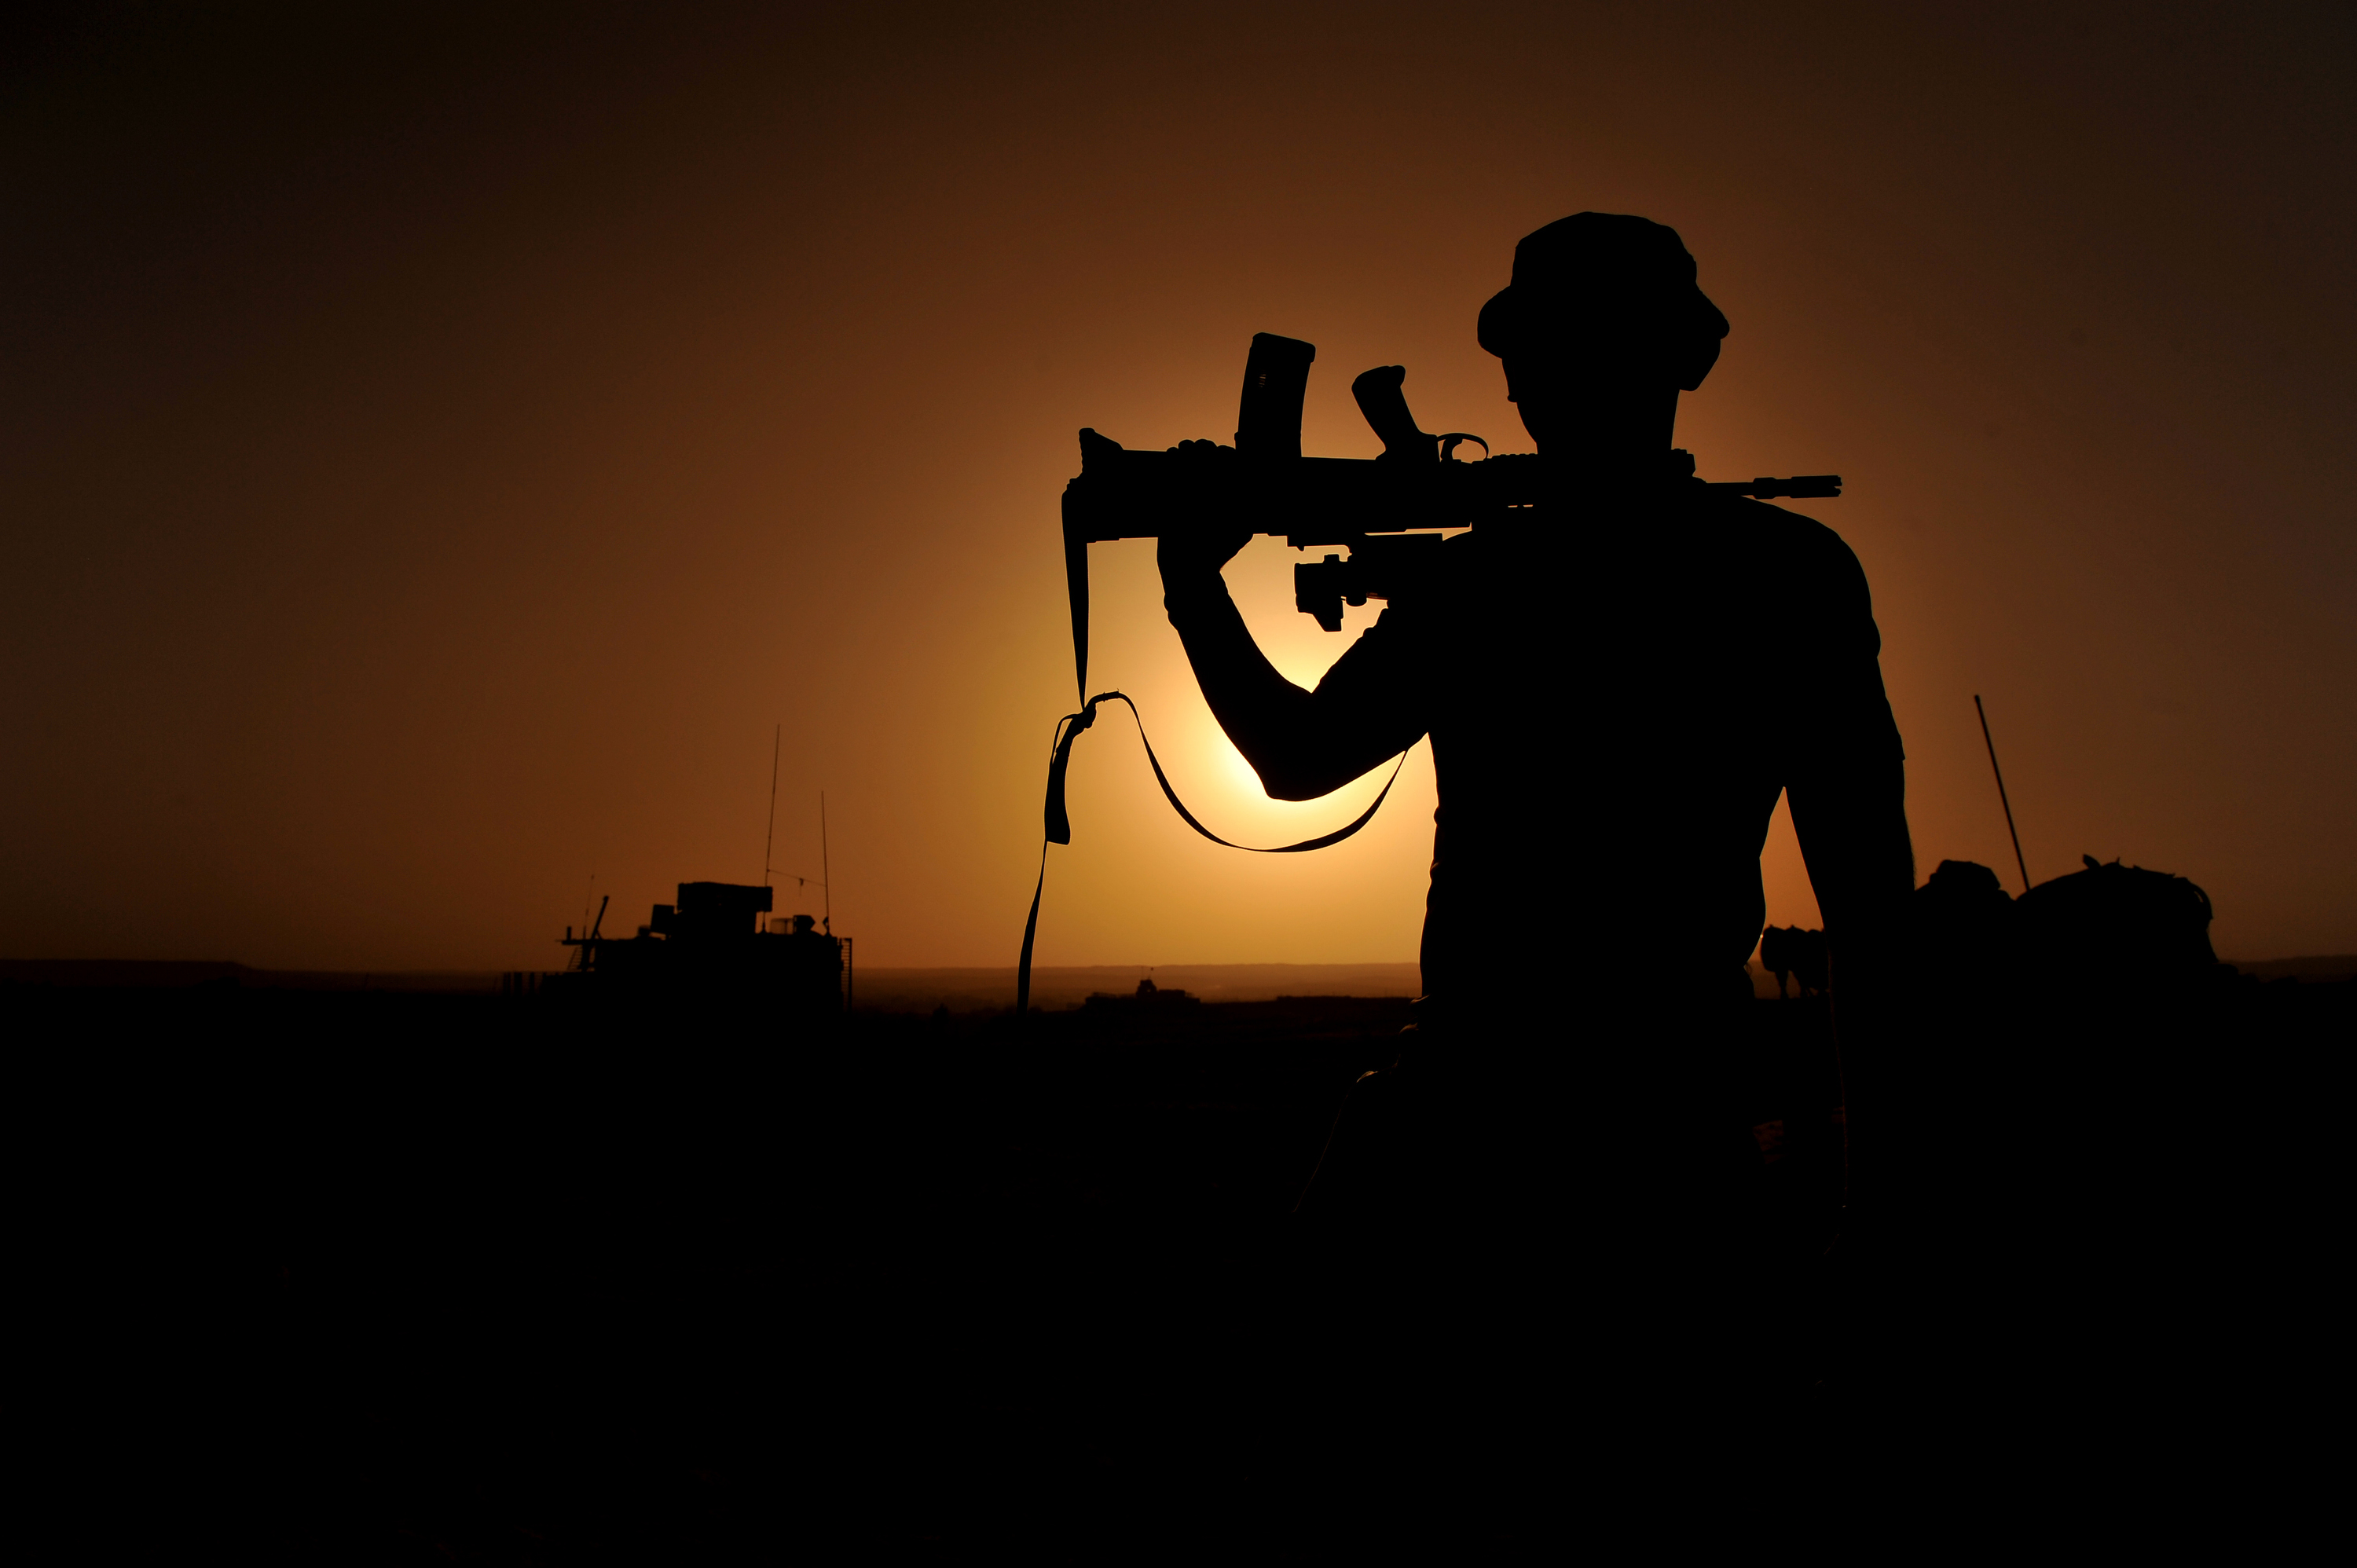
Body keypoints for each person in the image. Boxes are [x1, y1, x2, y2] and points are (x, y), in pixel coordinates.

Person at [1159, 215, 1915, 1337]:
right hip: (1676, 1128)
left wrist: (1191, 583)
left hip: (1466, 1127)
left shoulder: (1486, 586)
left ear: (1523, 377)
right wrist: (1884, 1208)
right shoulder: (1793, 574)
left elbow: (1296, 758)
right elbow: (1872, 918)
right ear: (1686, 362)